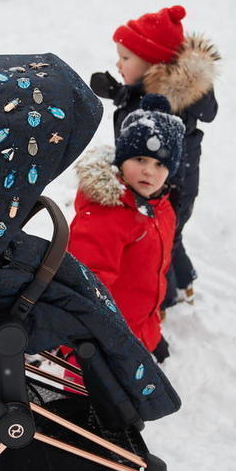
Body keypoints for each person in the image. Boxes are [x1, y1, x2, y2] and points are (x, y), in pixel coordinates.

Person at [90, 5, 219, 310]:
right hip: (171, 184)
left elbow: (147, 146)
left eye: (126, 58)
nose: (118, 63)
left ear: (153, 65)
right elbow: (140, 99)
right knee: (171, 236)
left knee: (159, 242)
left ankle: (163, 299)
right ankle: (185, 281)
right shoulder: (162, 94)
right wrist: (119, 92)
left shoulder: (160, 111)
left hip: (167, 188)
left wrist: (126, 98)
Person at [69, 95, 185, 361]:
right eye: (140, 159)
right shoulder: (106, 214)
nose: (149, 172)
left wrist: (150, 334)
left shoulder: (161, 207)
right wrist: (87, 350)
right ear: (122, 160)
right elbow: (85, 288)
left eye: (160, 164)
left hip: (138, 329)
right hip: (102, 342)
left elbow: (154, 275)